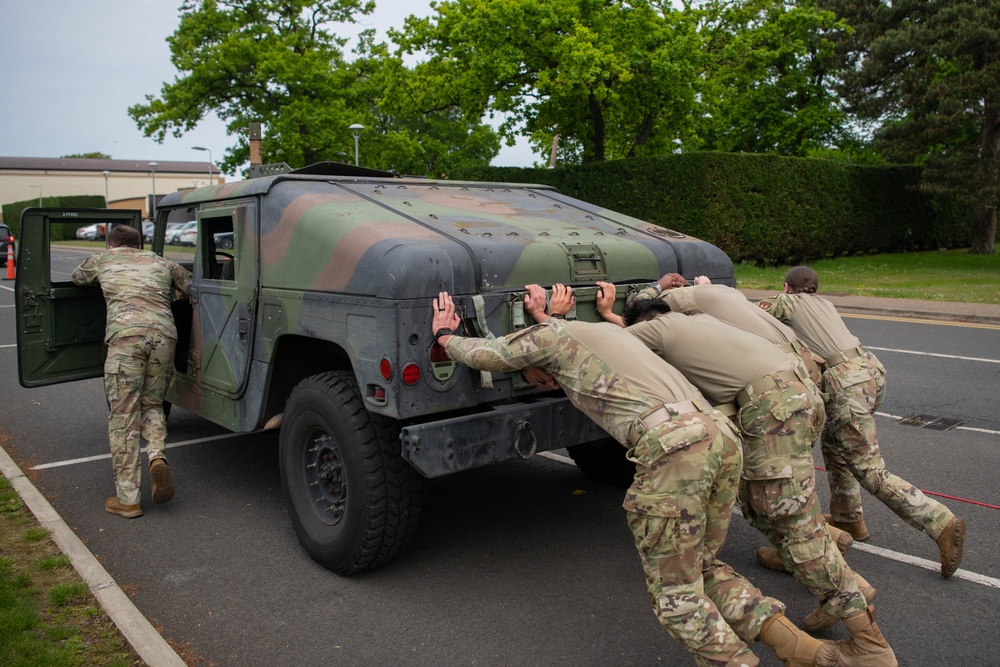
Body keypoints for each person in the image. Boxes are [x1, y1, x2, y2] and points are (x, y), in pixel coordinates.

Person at [432, 284, 832, 667]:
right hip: (720, 437)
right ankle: (799, 649)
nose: (546, 378)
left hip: (675, 449)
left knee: (675, 594)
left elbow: (488, 353)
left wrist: (447, 335)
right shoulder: (606, 335)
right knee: (701, 568)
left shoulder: (549, 337)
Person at [601, 288, 896, 667]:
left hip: (773, 409)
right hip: (797, 396)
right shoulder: (699, 321)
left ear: (646, 321)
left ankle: (868, 640)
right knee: (768, 507)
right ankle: (843, 578)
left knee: (792, 523)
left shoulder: (659, 328)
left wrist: (605, 314)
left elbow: (612, 345)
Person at [758, 266, 966, 578]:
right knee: (834, 443)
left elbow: (747, 314)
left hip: (846, 381)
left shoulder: (787, 303)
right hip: (869, 369)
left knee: (869, 469)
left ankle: (940, 521)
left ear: (787, 287)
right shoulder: (824, 304)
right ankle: (847, 517)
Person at [71, 224, 192, 519]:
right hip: (164, 337)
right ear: (139, 245)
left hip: (127, 338)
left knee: (123, 414)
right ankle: (156, 455)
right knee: (152, 404)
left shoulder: (103, 261)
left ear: (111, 246)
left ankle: (128, 498)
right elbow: (190, 285)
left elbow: (77, 278)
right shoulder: (161, 261)